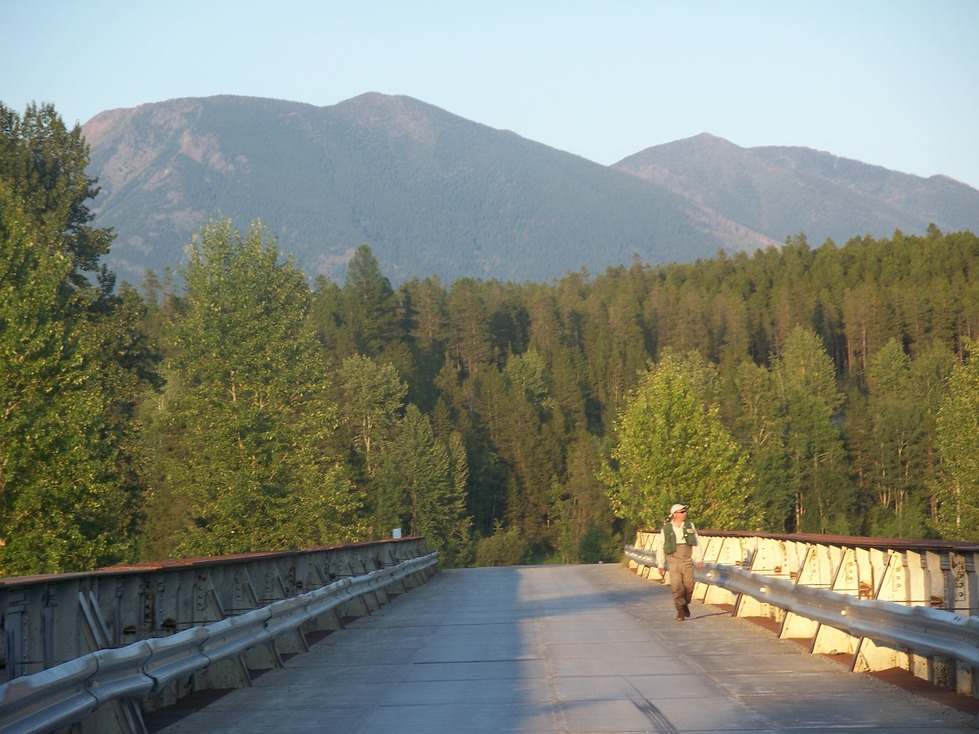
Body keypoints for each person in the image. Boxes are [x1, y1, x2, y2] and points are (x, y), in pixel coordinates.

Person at [652, 503, 703, 621]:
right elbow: (660, 546)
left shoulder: (690, 525)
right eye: (682, 512)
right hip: (673, 559)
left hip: (687, 559)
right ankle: (680, 610)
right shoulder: (666, 528)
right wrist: (660, 564)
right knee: (676, 586)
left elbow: (696, 542)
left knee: (689, 586)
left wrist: (698, 558)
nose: (685, 513)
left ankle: (685, 604)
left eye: (685, 511)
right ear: (674, 514)